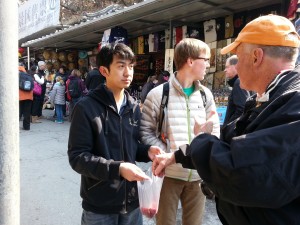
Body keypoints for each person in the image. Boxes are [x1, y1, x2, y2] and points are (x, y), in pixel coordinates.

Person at [152, 14, 300, 225]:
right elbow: (230, 146)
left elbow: (241, 172)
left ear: (256, 57)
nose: (234, 68)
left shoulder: (294, 104)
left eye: (238, 59)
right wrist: (177, 156)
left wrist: (201, 139)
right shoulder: (266, 99)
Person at [67, 43, 163, 225]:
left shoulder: (133, 106)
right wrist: (118, 169)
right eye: (121, 66)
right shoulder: (86, 108)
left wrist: (148, 151)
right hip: (99, 205)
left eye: (131, 66)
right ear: (104, 71)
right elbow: (77, 157)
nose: (128, 73)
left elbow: (132, 146)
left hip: (132, 202)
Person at [140, 38, 220, 225]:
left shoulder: (205, 95)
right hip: (168, 175)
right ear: (190, 61)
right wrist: (167, 155)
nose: (209, 64)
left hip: (198, 176)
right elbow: (145, 132)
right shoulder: (159, 94)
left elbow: (215, 130)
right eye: (206, 59)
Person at [223, 55, 251, 127]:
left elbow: (242, 109)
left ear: (236, 66)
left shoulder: (239, 82)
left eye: (227, 67)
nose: (225, 70)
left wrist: (228, 127)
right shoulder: (244, 81)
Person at [19, 65, 33, 130]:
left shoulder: (16, 75)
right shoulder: (28, 75)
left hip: (20, 97)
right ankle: (27, 127)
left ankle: (15, 127)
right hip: (29, 97)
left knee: (18, 112)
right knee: (27, 112)